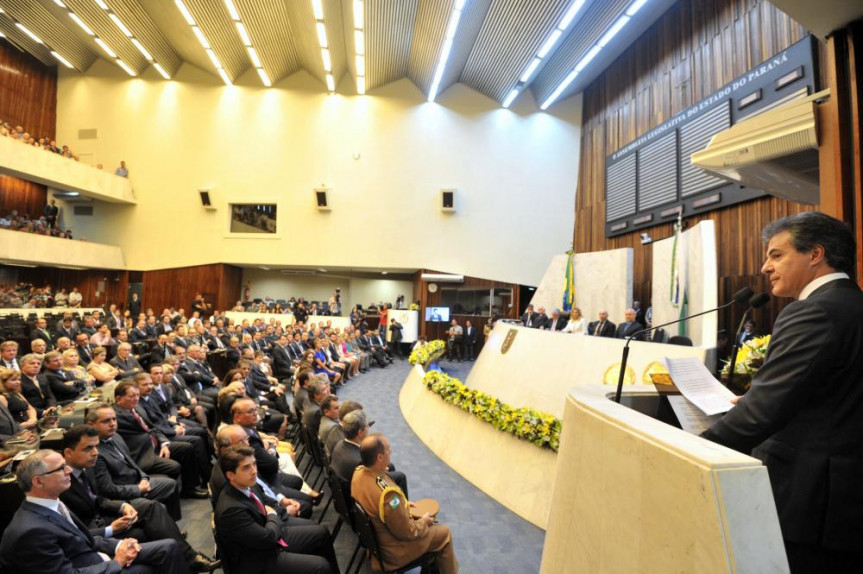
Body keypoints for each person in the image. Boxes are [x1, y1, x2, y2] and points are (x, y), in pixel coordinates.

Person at [700, 212, 863, 572]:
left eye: (776, 255)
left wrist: (695, 449)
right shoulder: (853, 305)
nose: (764, 267)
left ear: (816, 254)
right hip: (845, 498)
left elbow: (760, 414)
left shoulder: (814, 311)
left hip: (812, 498)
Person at [60, 425, 221, 572]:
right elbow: (73, 531)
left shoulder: (84, 467)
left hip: (102, 517)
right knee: (151, 530)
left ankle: (189, 557)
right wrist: (111, 530)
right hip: (94, 531)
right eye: (88, 448)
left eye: (96, 446)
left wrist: (122, 506)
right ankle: (187, 559)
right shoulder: (60, 483)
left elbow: (96, 499)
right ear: (68, 453)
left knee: (152, 507)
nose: (95, 452)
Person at [0, 449, 187, 573]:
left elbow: (85, 539)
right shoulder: (30, 531)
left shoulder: (53, 503)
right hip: (95, 566)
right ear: (38, 481)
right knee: (152, 566)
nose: (68, 471)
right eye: (60, 469)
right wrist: (116, 563)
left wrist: (119, 546)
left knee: (168, 547)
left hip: (97, 558)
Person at [214, 445, 337, 574]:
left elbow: (267, 501)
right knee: (321, 567)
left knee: (321, 533)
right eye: (246, 468)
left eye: (254, 464)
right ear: (230, 475)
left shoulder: (247, 483)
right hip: (258, 560)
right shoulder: (231, 511)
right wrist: (272, 515)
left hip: (267, 535)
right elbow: (267, 539)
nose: (254, 471)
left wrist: (274, 514)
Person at [352, 434, 457, 573]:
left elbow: (378, 506)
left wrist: (404, 505)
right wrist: (424, 521)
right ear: (379, 457)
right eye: (388, 449)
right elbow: (408, 532)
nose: (391, 451)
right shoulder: (389, 496)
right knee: (444, 534)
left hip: (377, 544)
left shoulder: (358, 474)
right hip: (394, 551)